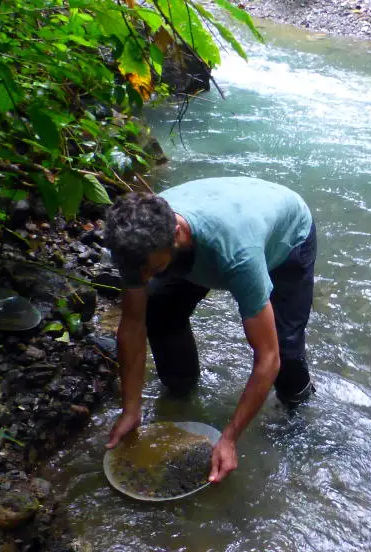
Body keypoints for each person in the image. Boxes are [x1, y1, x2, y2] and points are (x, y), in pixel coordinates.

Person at [101, 176, 317, 483]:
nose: (143, 278)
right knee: (160, 309)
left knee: (285, 350)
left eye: (149, 269)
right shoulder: (135, 243)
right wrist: (130, 407)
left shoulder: (236, 252)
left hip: (287, 238)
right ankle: (181, 388)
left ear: (176, 234)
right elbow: (133, 323)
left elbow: (267, 357)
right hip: (221, 219)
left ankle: (299, 407)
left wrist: (229, 439)